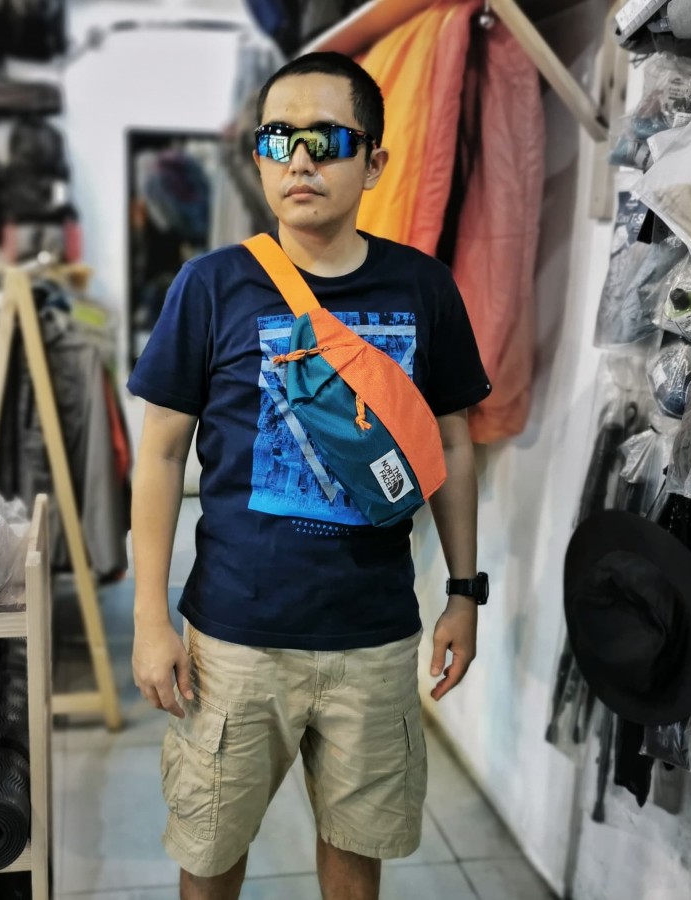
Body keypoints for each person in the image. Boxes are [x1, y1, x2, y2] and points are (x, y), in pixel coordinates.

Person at [128, 51, 492, 900]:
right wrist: (149, 619)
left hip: (373, 636)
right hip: (234, 639)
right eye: (277, 139)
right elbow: (160, 454)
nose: (299, 160)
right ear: (257, 156)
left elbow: (454, 445)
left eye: (326, 139)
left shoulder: (423, 288)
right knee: (209, 856)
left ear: (375, 162)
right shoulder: (211, 286)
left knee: (356, 858)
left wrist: (465, 593)